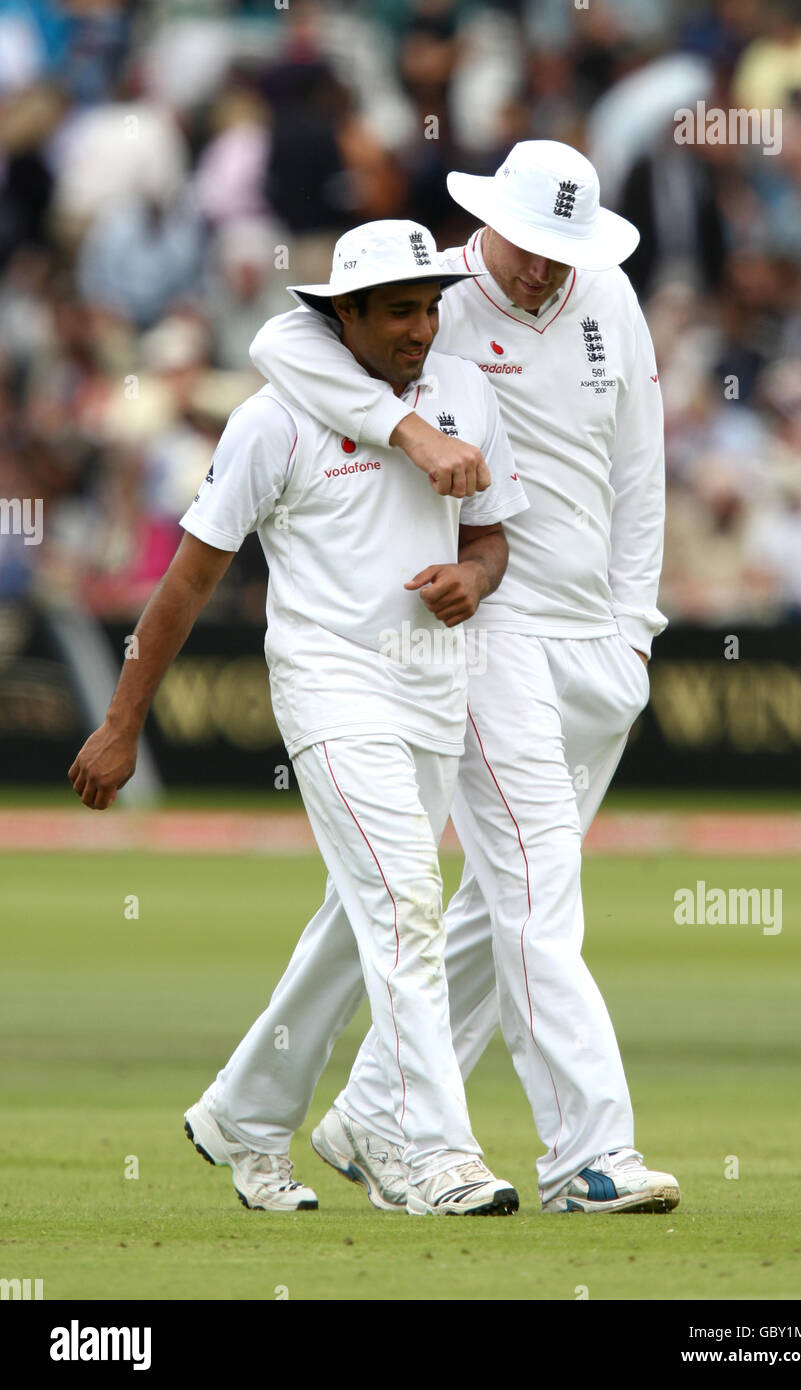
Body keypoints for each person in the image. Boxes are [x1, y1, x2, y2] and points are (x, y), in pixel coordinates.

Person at [247, 141, 681, 1215]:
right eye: (528, 247)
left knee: (503, 899)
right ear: (489, 222)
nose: (539, 270)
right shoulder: (428, 295)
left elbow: (640, 466)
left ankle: (363, 1108)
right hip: (493, 624)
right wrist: (398, 423)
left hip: (598, 638)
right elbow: (276, 340)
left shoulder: (610, 295)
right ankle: (588, 1153)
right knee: (538, 891)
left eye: (560, 252)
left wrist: (636, 624)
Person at [68, 219, 529, 1217]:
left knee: (352, 921)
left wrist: (471, 580)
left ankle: (243, 1112)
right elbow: (185, 584)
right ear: (344, 314)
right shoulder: (270, 422)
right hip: (329, 690)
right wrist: (121, 723)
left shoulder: (462, 393)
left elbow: (490, 538)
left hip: (431, 692)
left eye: (429, 306)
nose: (420, 327)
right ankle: (428, 1152)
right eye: (398, 310)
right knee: (405, 903)